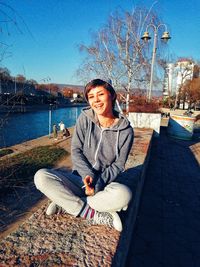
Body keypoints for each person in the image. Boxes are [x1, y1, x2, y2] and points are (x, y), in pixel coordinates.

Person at [34, 79, 134, 232]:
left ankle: (67, 204)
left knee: (124, 194)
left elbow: (118, 165)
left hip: (104, 185)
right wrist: (87, 176)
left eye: (100, 94)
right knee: (41, 176)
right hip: (79, 179)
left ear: (112, 95)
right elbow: (76, 150)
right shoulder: (84, 119)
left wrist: (97, 184)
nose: (96, 100)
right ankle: (92, 213)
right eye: (91, 96)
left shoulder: (126, 131)